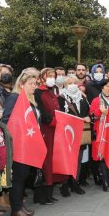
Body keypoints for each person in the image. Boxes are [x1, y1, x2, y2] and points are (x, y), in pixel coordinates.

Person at [2, 68, 39, 216]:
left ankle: (20, 206)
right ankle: (16, 208)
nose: (34, 86)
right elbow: (6, 119)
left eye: (35, 83)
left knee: (23, 177)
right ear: (22, 84)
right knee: (18, 177)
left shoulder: (30, 99)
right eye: (31, 84)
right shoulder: (14, 97)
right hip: (18, 144)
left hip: (27, 144)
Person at [58, 75, 91, 195]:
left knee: (78, 159)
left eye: (74, 82)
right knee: (68, 159)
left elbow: (88, 111)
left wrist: (88, 117)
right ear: (65, 85)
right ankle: (65, 184)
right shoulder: (61, 98)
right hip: (68, 133)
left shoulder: (82, 97)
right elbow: (60, 115)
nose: (72, 85)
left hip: (81, 133)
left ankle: (74, 182)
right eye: (69, 83)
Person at [34, 68, 61, 204]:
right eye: (49, 75)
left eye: (53, 76)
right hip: (45, 129)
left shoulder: (53, 92)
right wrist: (51, 120)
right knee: (44, 160)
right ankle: (41, 196)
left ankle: (49, 193)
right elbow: (41, 110)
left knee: (51, 160)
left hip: (54, 130)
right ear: (42, 77)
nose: (52, 78)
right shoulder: (38, 92)